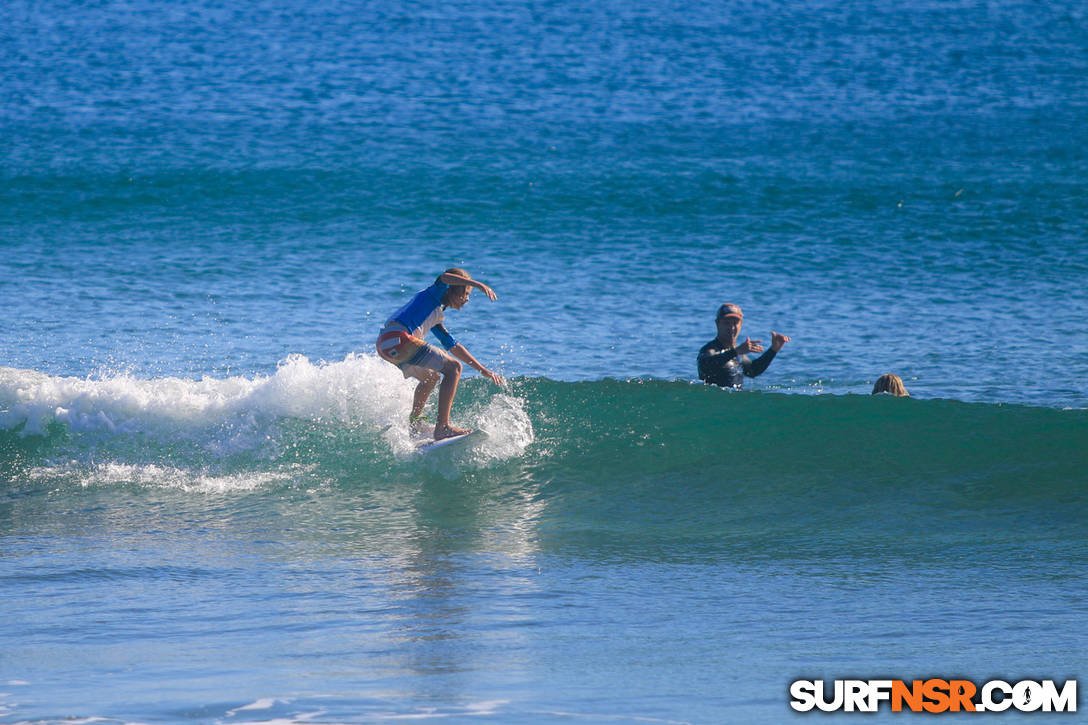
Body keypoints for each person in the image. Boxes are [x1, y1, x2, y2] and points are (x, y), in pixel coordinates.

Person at [376, 268, 505, 440]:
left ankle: (415, 425)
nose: (467, 299)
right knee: (454, 368)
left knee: (431, 378)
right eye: (465, 293)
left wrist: (482, 370)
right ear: (452, 288)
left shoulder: (435, 313)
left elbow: (452, 345)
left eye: (469, 295)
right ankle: (443, 427)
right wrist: (477, 284)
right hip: (398, 338)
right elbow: (444, 277)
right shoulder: (432, 294)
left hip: (385, 345)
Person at [697, 303, 790, 389]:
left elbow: (753, 371)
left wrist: (773, 350)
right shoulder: (710, 350)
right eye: (727, 323)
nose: (732, 327)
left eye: (735, 323)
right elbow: (706, 365)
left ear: (741, 324)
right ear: (717, 324)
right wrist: (736, 352)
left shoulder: (738, 352)